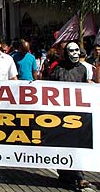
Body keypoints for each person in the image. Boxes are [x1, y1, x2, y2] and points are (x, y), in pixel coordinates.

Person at [50, 42, 93, 190]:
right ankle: (65, 175)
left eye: (77, 50)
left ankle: (79, 176)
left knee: (76, 145)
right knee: (62, 146)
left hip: (76, 115)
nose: (75, 53)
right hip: (60, 115)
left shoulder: (82, 69)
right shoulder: (57, 69)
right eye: (71, 50)